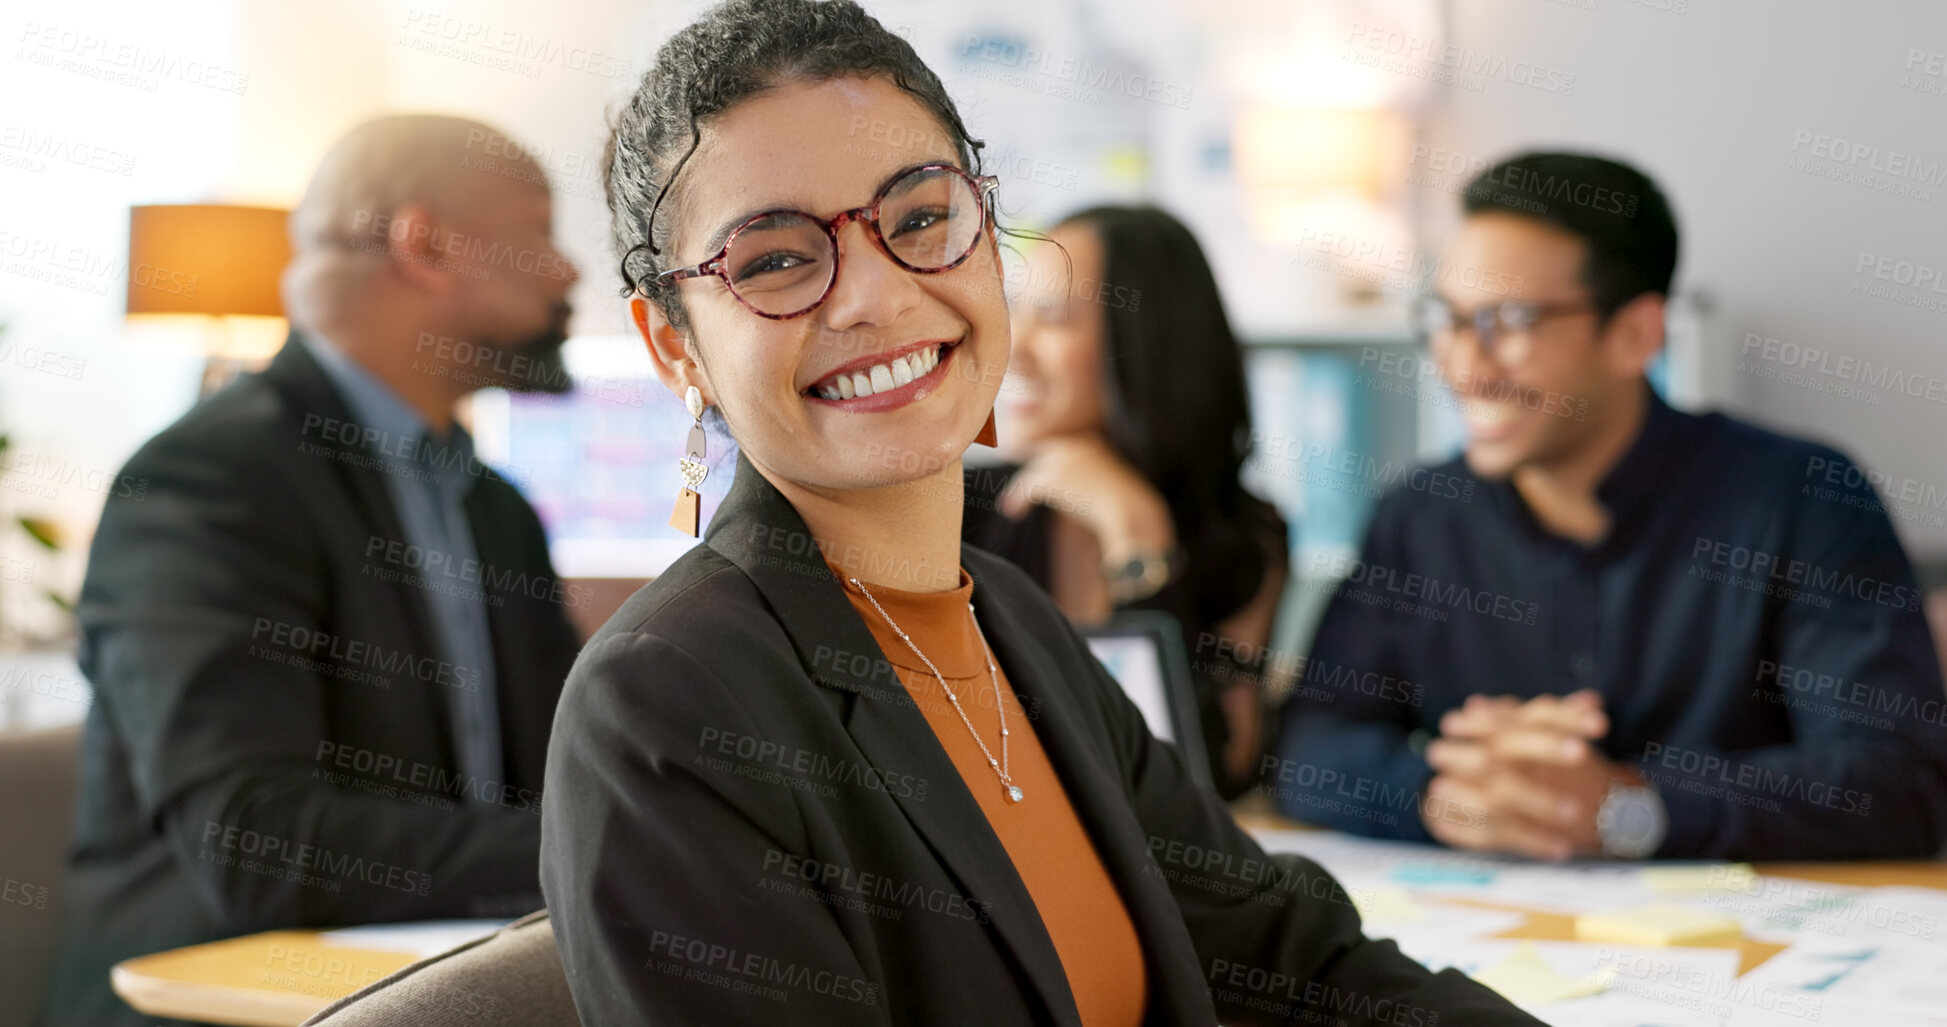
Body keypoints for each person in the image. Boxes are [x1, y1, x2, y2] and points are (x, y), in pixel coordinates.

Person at [539, 3, 1540, 1024]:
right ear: (674, 348)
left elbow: (1300, 961)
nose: (875, 295)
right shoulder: (664, 706)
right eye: (777, 259)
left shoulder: (1016, 626)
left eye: (922, 217)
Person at [41, 115, 586, 1027]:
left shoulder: (494, 506)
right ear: (425, 245)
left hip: (445, 990)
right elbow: (257, 847)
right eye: (537, 229)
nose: (568, 270)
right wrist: (597, 848)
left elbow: (559, 774)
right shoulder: (208, 481)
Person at [1272, 151, 1947, 861]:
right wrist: (1443, 795)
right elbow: (1307, 744)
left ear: (1635, 335)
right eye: (1447, 319)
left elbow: (1896, 781)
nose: (1463, 365)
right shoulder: (1419, 514)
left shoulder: (1805, 499)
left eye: (1507, 321)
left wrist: (1628, 808)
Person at [963, 205, 1288, 800]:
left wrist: (1134, 531)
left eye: (1055, 319)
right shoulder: (961, 512)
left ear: (1149, 343)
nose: (1016, 347)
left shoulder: (1243, 535)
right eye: (1016, 311)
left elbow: (1211, 778)